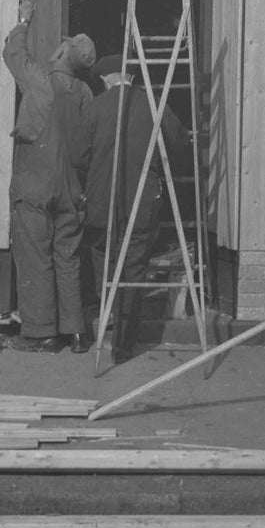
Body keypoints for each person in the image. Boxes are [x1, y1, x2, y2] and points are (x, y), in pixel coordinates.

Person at [73, 53, 189, 363]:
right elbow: (178, 145)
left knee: (104, 259)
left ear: (105, 79)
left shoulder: (94, 109)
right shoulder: (154, 104)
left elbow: (78, 156)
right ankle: (124, 344)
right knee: (134, 268)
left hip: (101, 205)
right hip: (142, 203)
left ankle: (106, 310)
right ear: (132, 77)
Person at [1, 0, 96, 353]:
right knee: (67, 259)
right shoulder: (86, 94)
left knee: (36, 256)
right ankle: (75, 333)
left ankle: (41, 333)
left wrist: (25, 20)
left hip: (36, 186)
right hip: (71, 189)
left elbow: (14, 56)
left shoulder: (41, 84)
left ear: (60, 55)